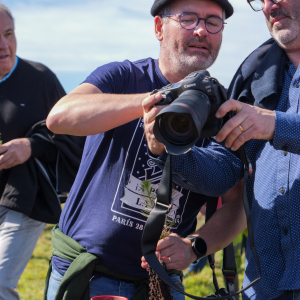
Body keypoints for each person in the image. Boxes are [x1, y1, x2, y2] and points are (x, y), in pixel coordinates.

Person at [44, 0, 245, 299]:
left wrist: (195, 247)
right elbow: (60, 117)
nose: (202, 30)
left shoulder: (224, 111)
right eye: (188, 18)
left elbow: (238, 203)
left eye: (213, 22)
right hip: (84, 273)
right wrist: (154, 101)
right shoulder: (123, 77)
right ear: (159, 27)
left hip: (160, 283)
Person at [142, 0, 300, 299]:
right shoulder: (255, 70)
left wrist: (279, 125)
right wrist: (172, 147)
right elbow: (226, 171)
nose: (270, 4)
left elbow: (272, 125)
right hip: (264, 286)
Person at [0, 5, 84, 300]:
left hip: (25, 197)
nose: (3, 45)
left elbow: (74, 132)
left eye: (8, 34)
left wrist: (31, 146)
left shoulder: (40, 78)